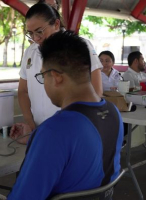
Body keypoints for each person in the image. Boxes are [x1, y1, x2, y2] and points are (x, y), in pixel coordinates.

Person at [8, 31, 123, 200]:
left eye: (42, 76)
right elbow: (82, 151)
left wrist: (42, 139)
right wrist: (36, 138)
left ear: (56, 77)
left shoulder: (55, 130)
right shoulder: (114, 113)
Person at [14, 3, 103, 138]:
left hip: (73, 129)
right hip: (40, 129)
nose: (36, 38)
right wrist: (30, 123)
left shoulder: (79, 46)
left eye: (39, 31)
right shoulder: (30, 52)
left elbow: (96, 91)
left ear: (56, 24)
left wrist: (79, 125)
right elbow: (23, 91)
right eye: (30, 33)